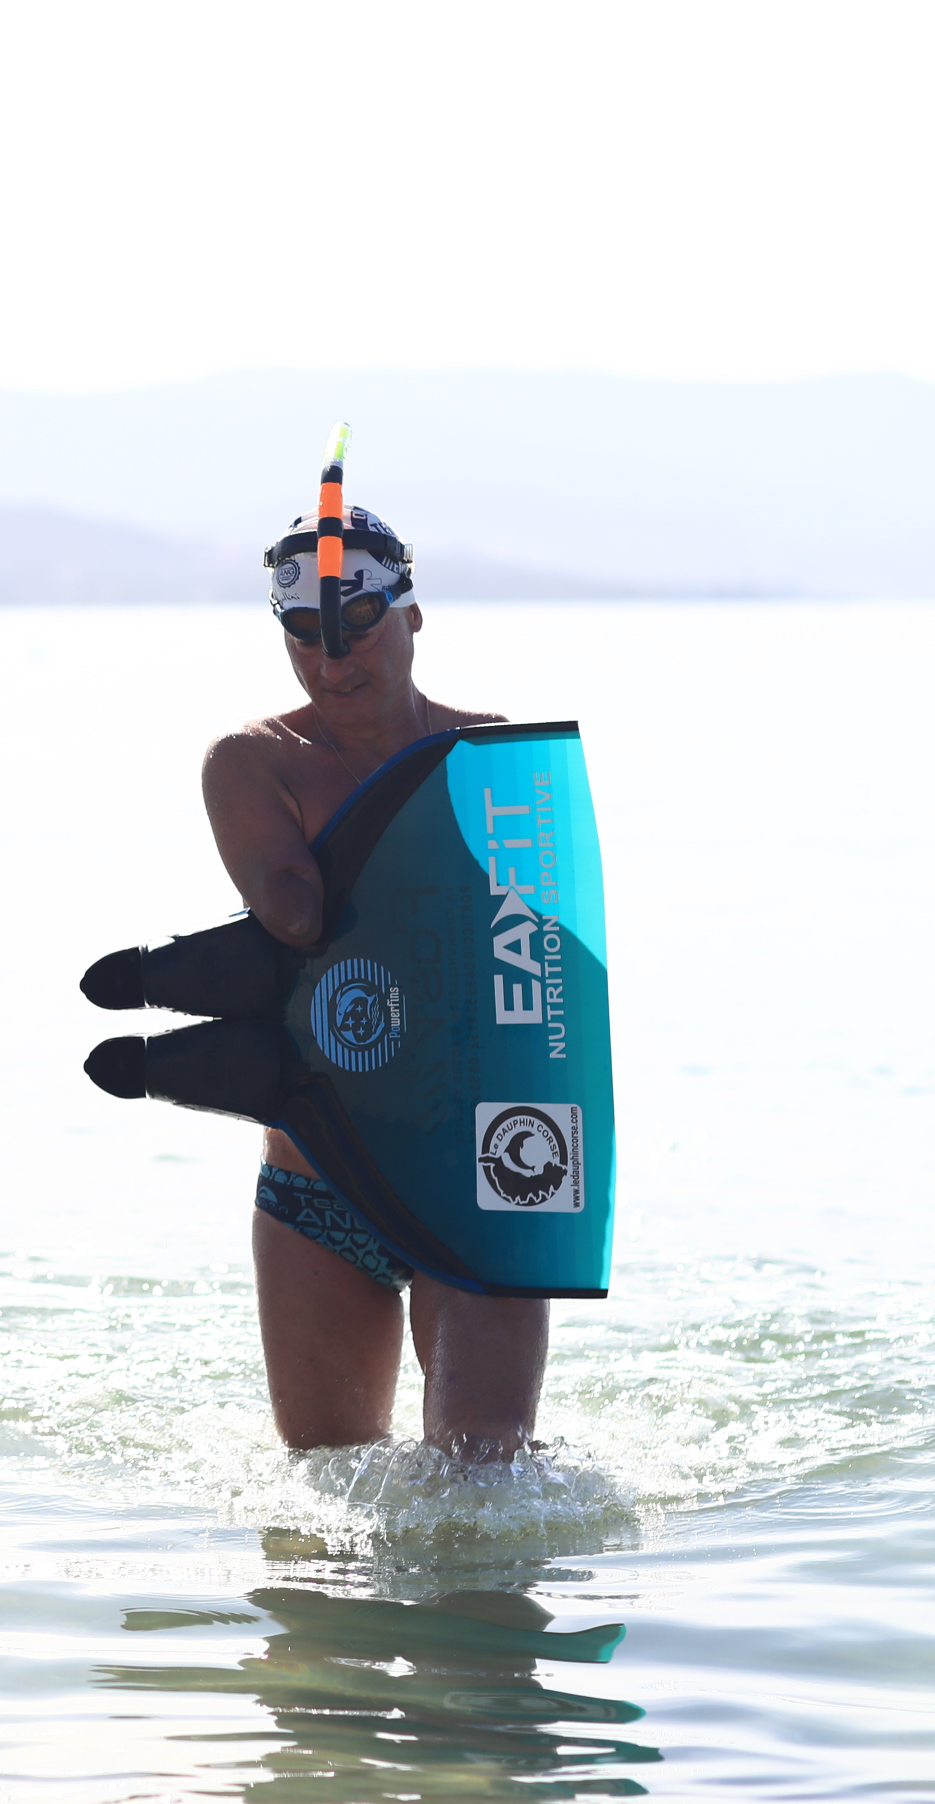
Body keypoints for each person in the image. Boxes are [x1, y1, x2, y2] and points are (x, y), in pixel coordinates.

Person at [199, 506, 548, 1459]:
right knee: (329, 1501)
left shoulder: (496, 758)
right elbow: (298, 916)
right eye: (303, 637)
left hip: (475, 1175)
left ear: (413, 617)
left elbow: (550, 973)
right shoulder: (254, 761)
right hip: (318, 1191)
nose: (330, 662)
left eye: (356, 629)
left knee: (485, 1480)